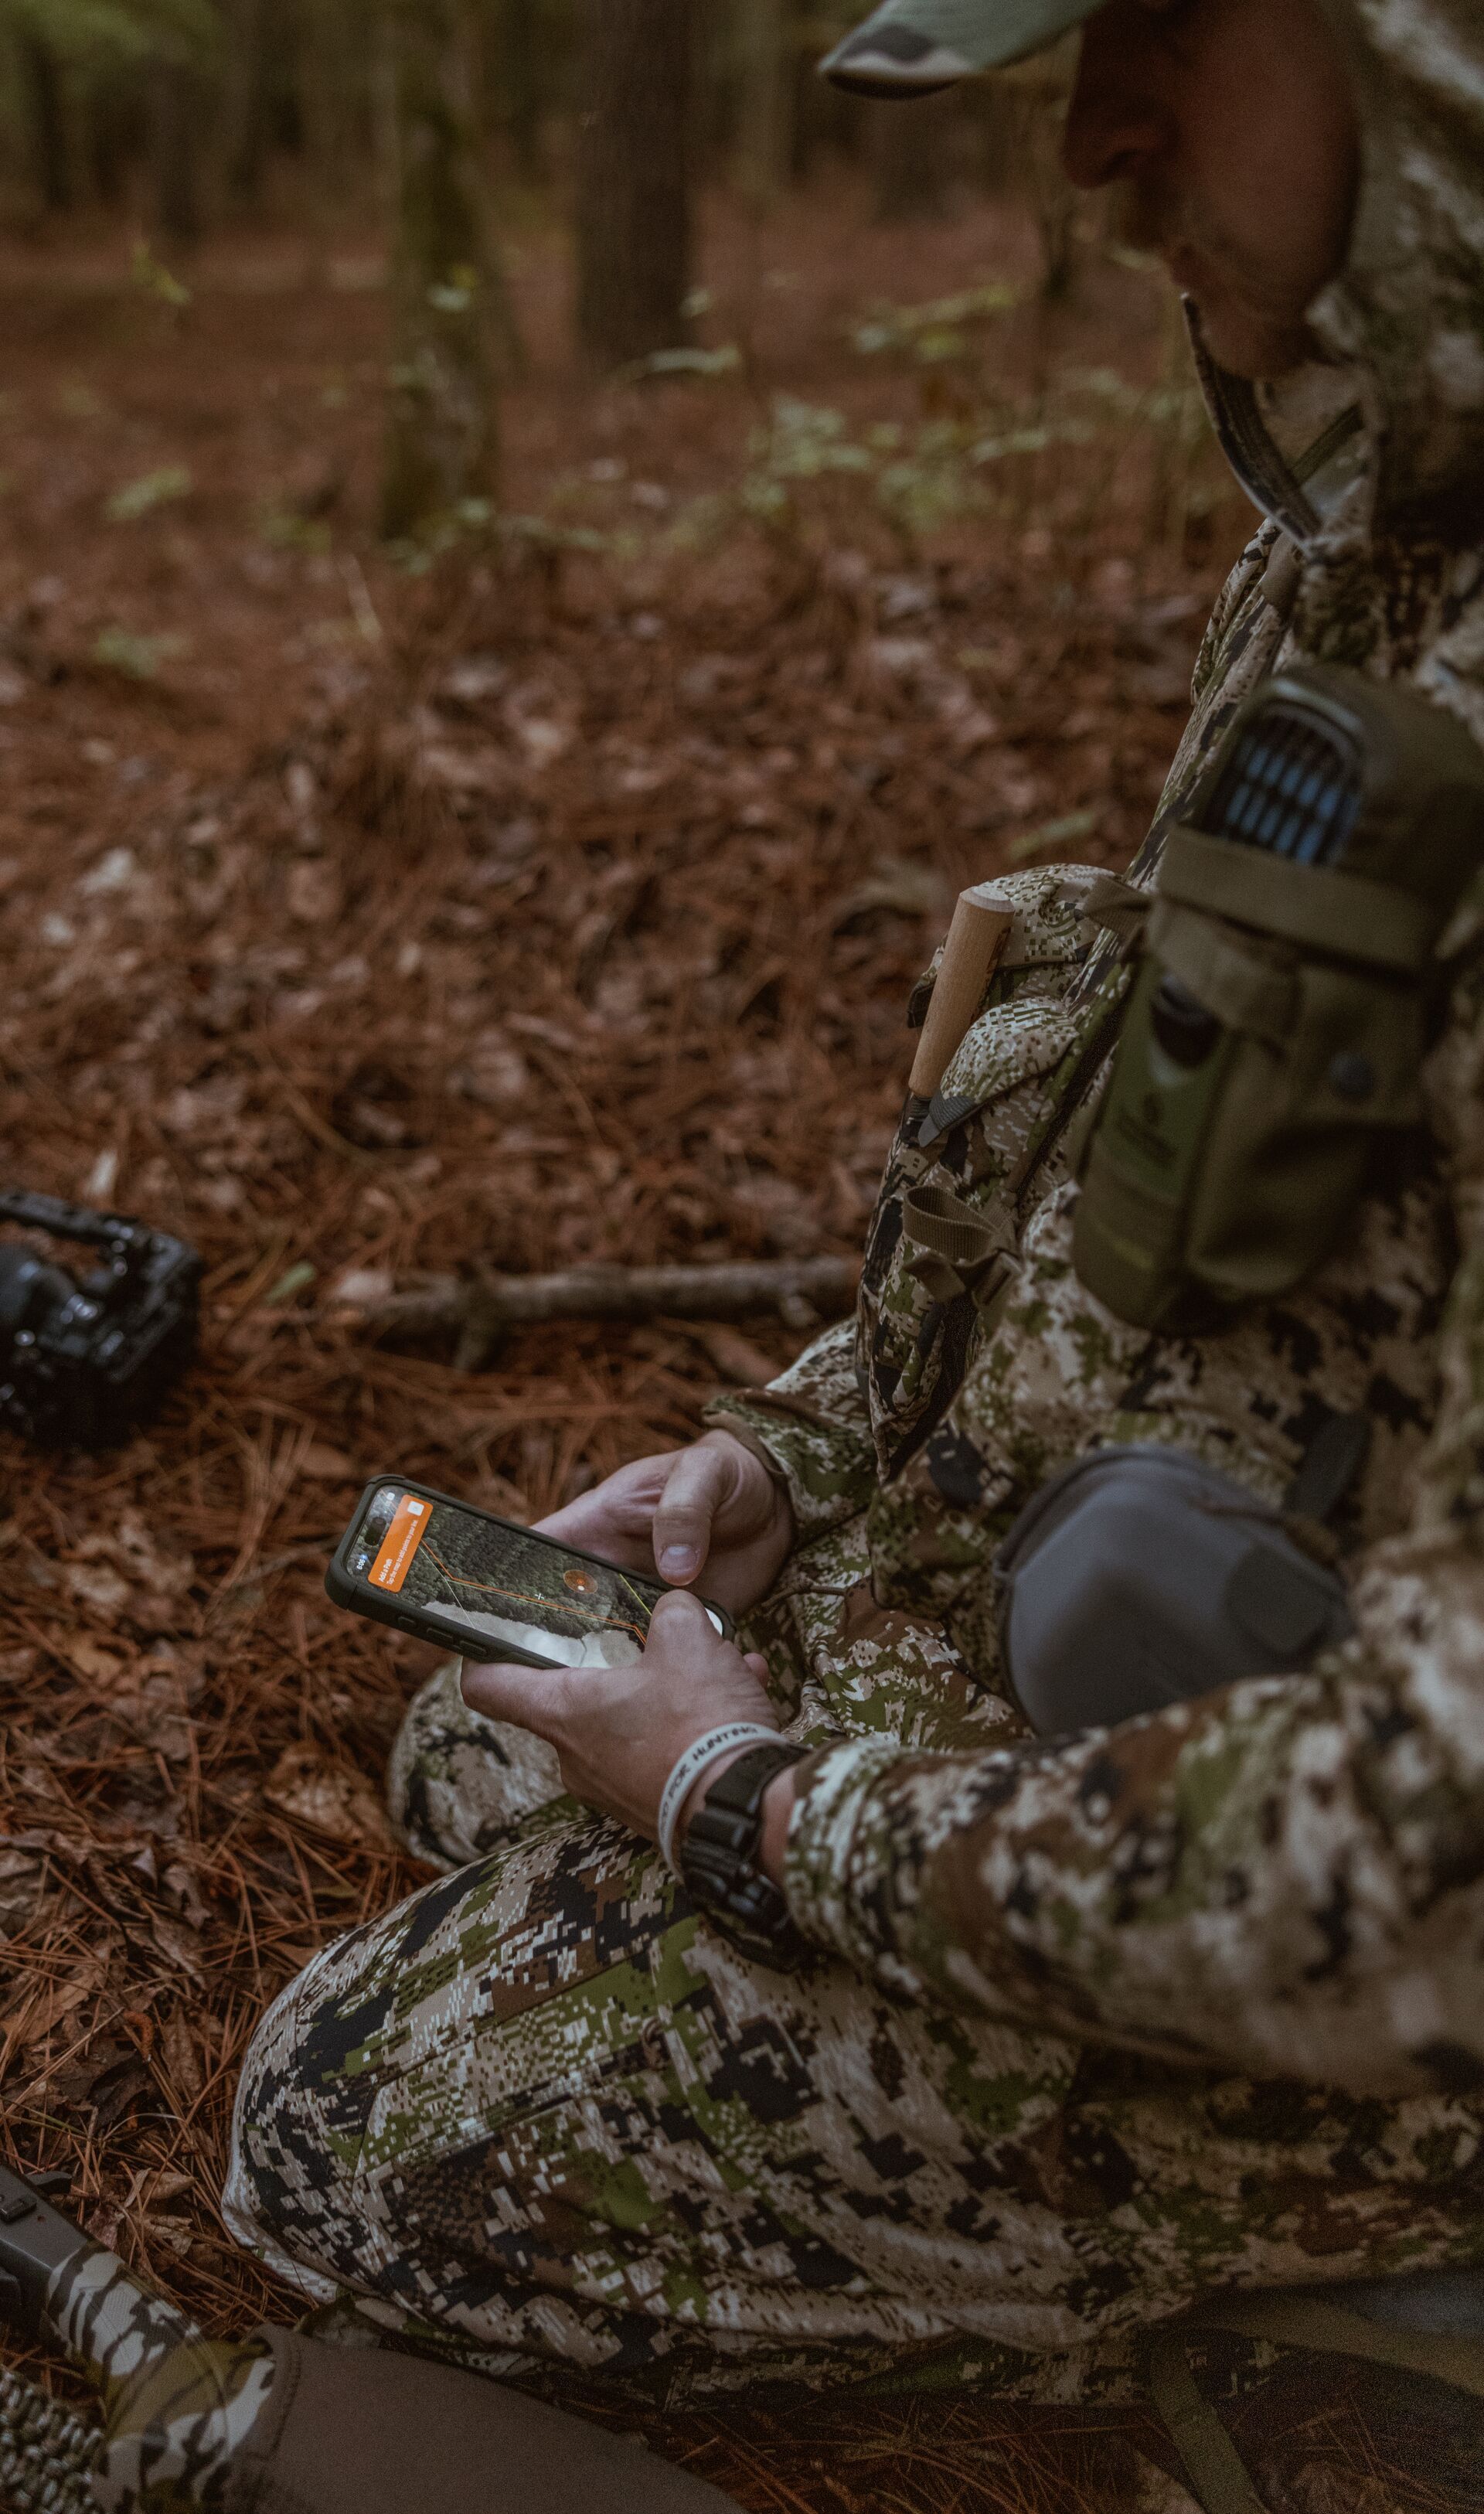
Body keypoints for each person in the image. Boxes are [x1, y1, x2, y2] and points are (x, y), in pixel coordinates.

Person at [226, 0, 1484, 2444]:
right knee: (476, 1722)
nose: (1096, 147)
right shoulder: (1374, 557)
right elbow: (1178, 1196)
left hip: (1382, 1933)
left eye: (1171, 36)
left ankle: (1405, 2272)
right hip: (1164, 1625)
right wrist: (792, 1456)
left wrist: (766, 1808)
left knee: (325, 2128)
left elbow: (1436, 1835)